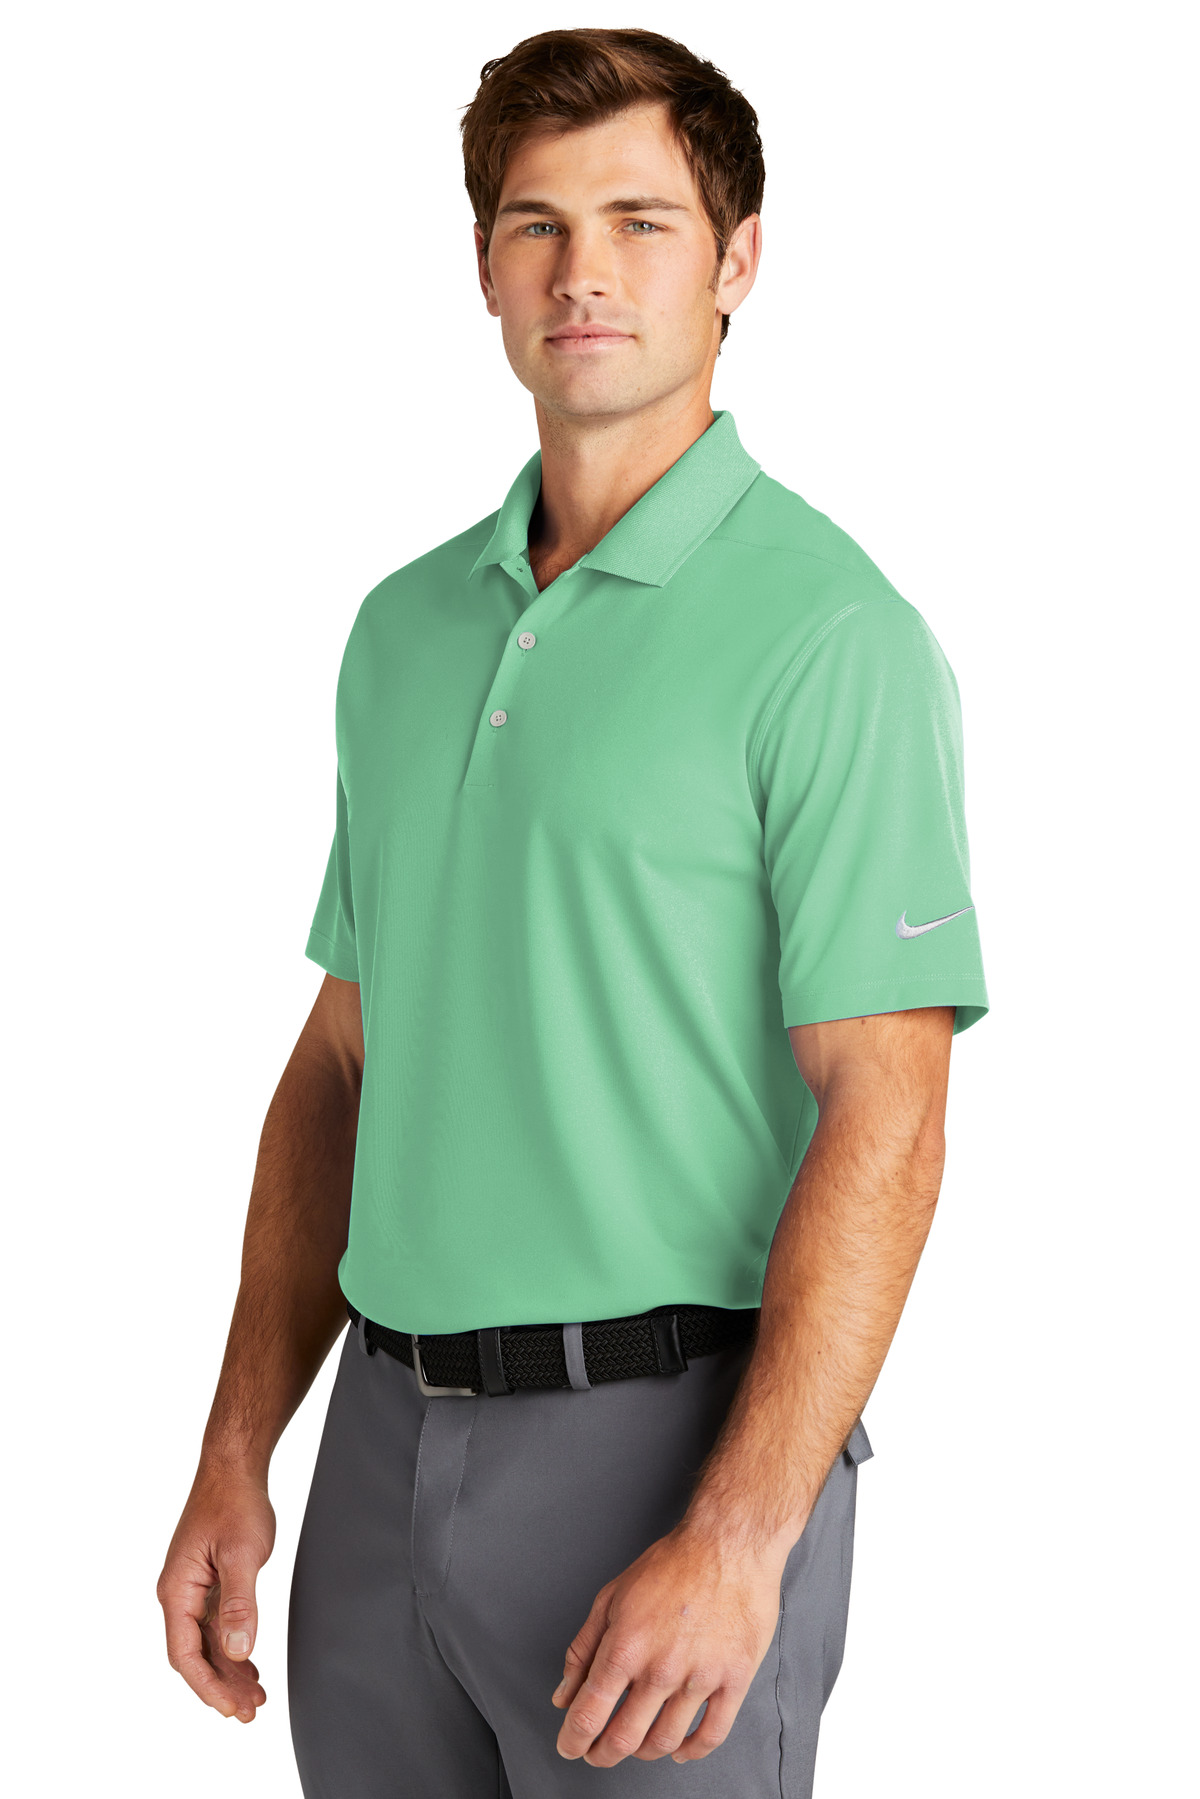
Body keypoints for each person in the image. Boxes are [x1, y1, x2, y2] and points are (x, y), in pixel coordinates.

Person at [157, 26, 988, 1796]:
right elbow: (345, 1060)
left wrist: (742, 1540)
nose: (582, 271)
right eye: (536, 225)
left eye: (640, 222)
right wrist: (241, 1449)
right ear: (483, 268)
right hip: (380, 1454)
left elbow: (890, 1111)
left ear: (736, 260)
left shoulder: (832, 636)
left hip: (668, 1457)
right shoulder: (401, 631)